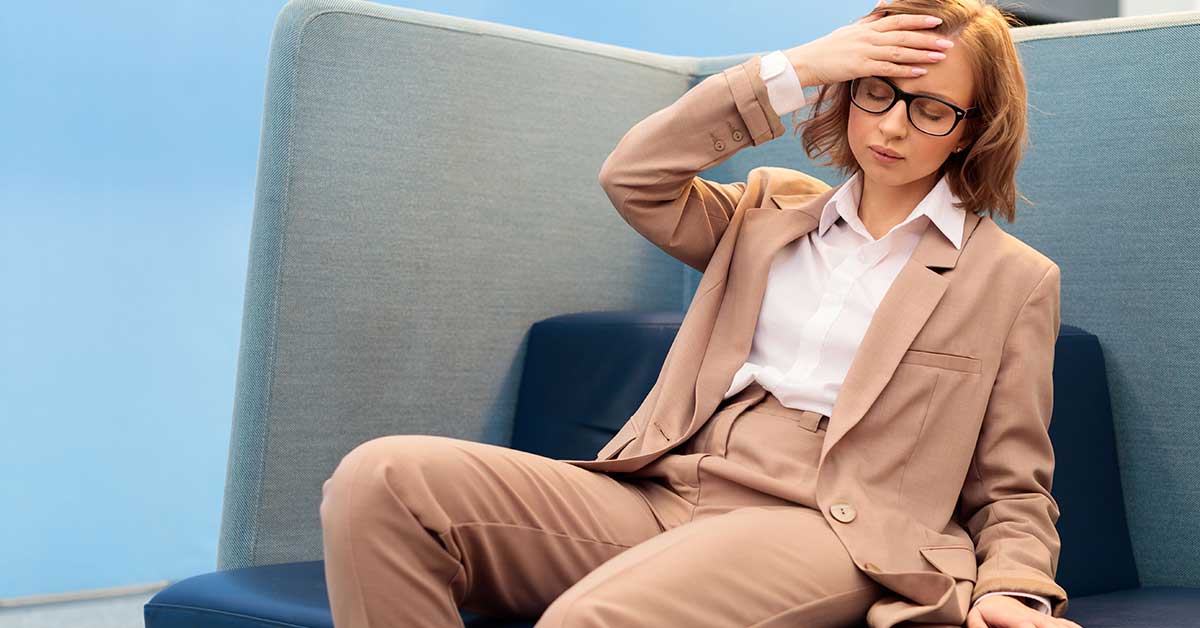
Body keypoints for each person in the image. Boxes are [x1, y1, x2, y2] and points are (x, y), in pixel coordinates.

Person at [320, 1, 1083, 626]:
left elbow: (1012, 487)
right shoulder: (764, 213)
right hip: (665, 488)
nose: (890, 126)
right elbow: (635, 175)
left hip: (829, 523)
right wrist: (798, 68)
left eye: (931, 110)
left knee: (593, 619)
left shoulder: (1010, 280)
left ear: (974, 127)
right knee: (382, 482)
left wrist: (1012, 591)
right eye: (876, 91)